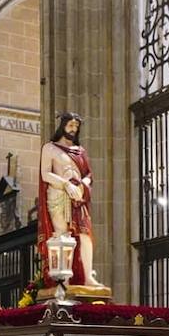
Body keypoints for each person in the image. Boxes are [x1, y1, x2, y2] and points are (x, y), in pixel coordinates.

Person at [38, 111, 101, 287]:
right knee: (62, 235)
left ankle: (88, 277)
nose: (73, 129)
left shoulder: (80, 151)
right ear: (63, 126)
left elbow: (88, 173)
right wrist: (66, 185)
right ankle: (63, 279)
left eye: (76, 126)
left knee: (85, 235)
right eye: (70, 125)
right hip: (59, 195)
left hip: (78, 197)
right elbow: (45, 174)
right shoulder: (49, 148)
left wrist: (83, 185)